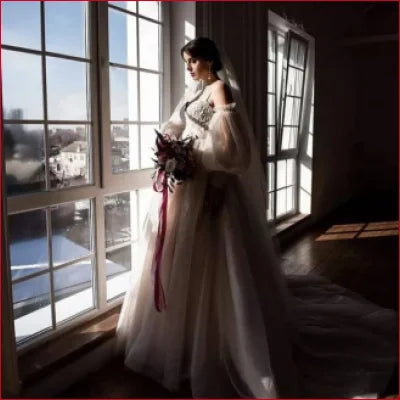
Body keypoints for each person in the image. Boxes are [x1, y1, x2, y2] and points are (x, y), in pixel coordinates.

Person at [116, 37, 397, 398]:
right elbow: (178, 128)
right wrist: (171, 151)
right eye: (186, 61)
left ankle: (222, 341)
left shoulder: (220, 89)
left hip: (211, 185)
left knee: (216, 262)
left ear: (208, 60)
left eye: (192, 61)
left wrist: (208, 173)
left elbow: (235, 151)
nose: (188, 67)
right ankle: (184, 338)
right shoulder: (194, 92)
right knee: (180, 257)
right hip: (187, 185)